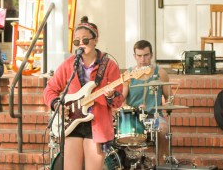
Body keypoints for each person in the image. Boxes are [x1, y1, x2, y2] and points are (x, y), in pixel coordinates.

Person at [43, 16, 123, 170]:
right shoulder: (68, 64)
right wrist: (56, 105)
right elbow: (50, 89)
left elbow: (118, 101)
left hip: (97, 123)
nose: (81, 44)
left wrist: (110, 95)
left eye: (85, 40)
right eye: (77, 41)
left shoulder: (109, 65)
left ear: (95, 40)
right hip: (72, 123)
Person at [122, 40, 170, 163]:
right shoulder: (128, 74)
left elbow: (168, 98)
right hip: (133, 117)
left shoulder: (160, 73)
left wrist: (168, 105)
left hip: (154, 116)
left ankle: (161, 164)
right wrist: (133, 110)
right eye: (139, 56)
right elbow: (120, 101)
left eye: (146, 55)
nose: (142, 59)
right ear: (134, 56)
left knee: (164, 130)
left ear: (151, 55)